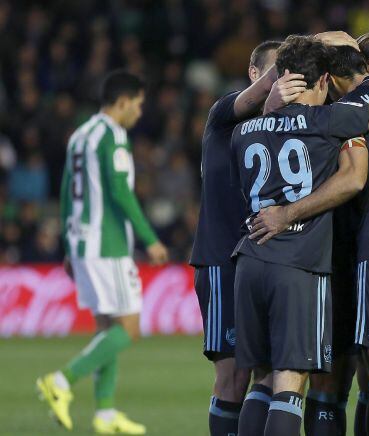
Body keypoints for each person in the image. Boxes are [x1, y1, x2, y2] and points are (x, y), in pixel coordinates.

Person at [230, 34, 369, 436]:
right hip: (298, 264)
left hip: (248, 262)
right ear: (325, 80)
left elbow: (266, 124)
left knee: (260, 380)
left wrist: (272, 101)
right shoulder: (329, 120)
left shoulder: (242, 132)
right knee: (290, 383)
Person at [37, 70, 169, 435]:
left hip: (82, 243)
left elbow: (66, 191)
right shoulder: (113, 136)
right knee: (129, 328)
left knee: (106, 329)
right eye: (138, 105)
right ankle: (60, 381)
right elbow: (120, 192)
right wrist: (149, 238)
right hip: (107, 245)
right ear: (123, 102)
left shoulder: (81, 134)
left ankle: (106, 413)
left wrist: (67, 244)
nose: (140, 113)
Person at [189, 38, 299, 436]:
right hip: (222, 260)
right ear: (256, 74)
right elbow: (261, 92)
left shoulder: (289, 128)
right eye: (279, 73)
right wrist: (297, 58)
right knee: (233, 378)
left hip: (265, 264)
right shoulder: (223, 115)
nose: (289, 83)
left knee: (269, 373)